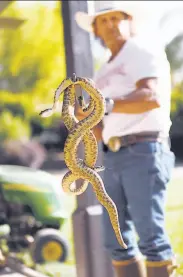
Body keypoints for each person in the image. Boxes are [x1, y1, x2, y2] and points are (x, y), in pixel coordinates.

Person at [75, 2, 177, 277]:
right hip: (113, 155)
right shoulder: (103, 70)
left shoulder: (142, 50)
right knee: (116, 241)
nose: (110, 24)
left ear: (128, 21)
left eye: (115, 18)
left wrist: (102, 105)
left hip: (143, 150)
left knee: (150, 238)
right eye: (103, 20)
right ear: (95, 29)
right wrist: (86, 120)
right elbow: (101, 125)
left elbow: (150, 98)